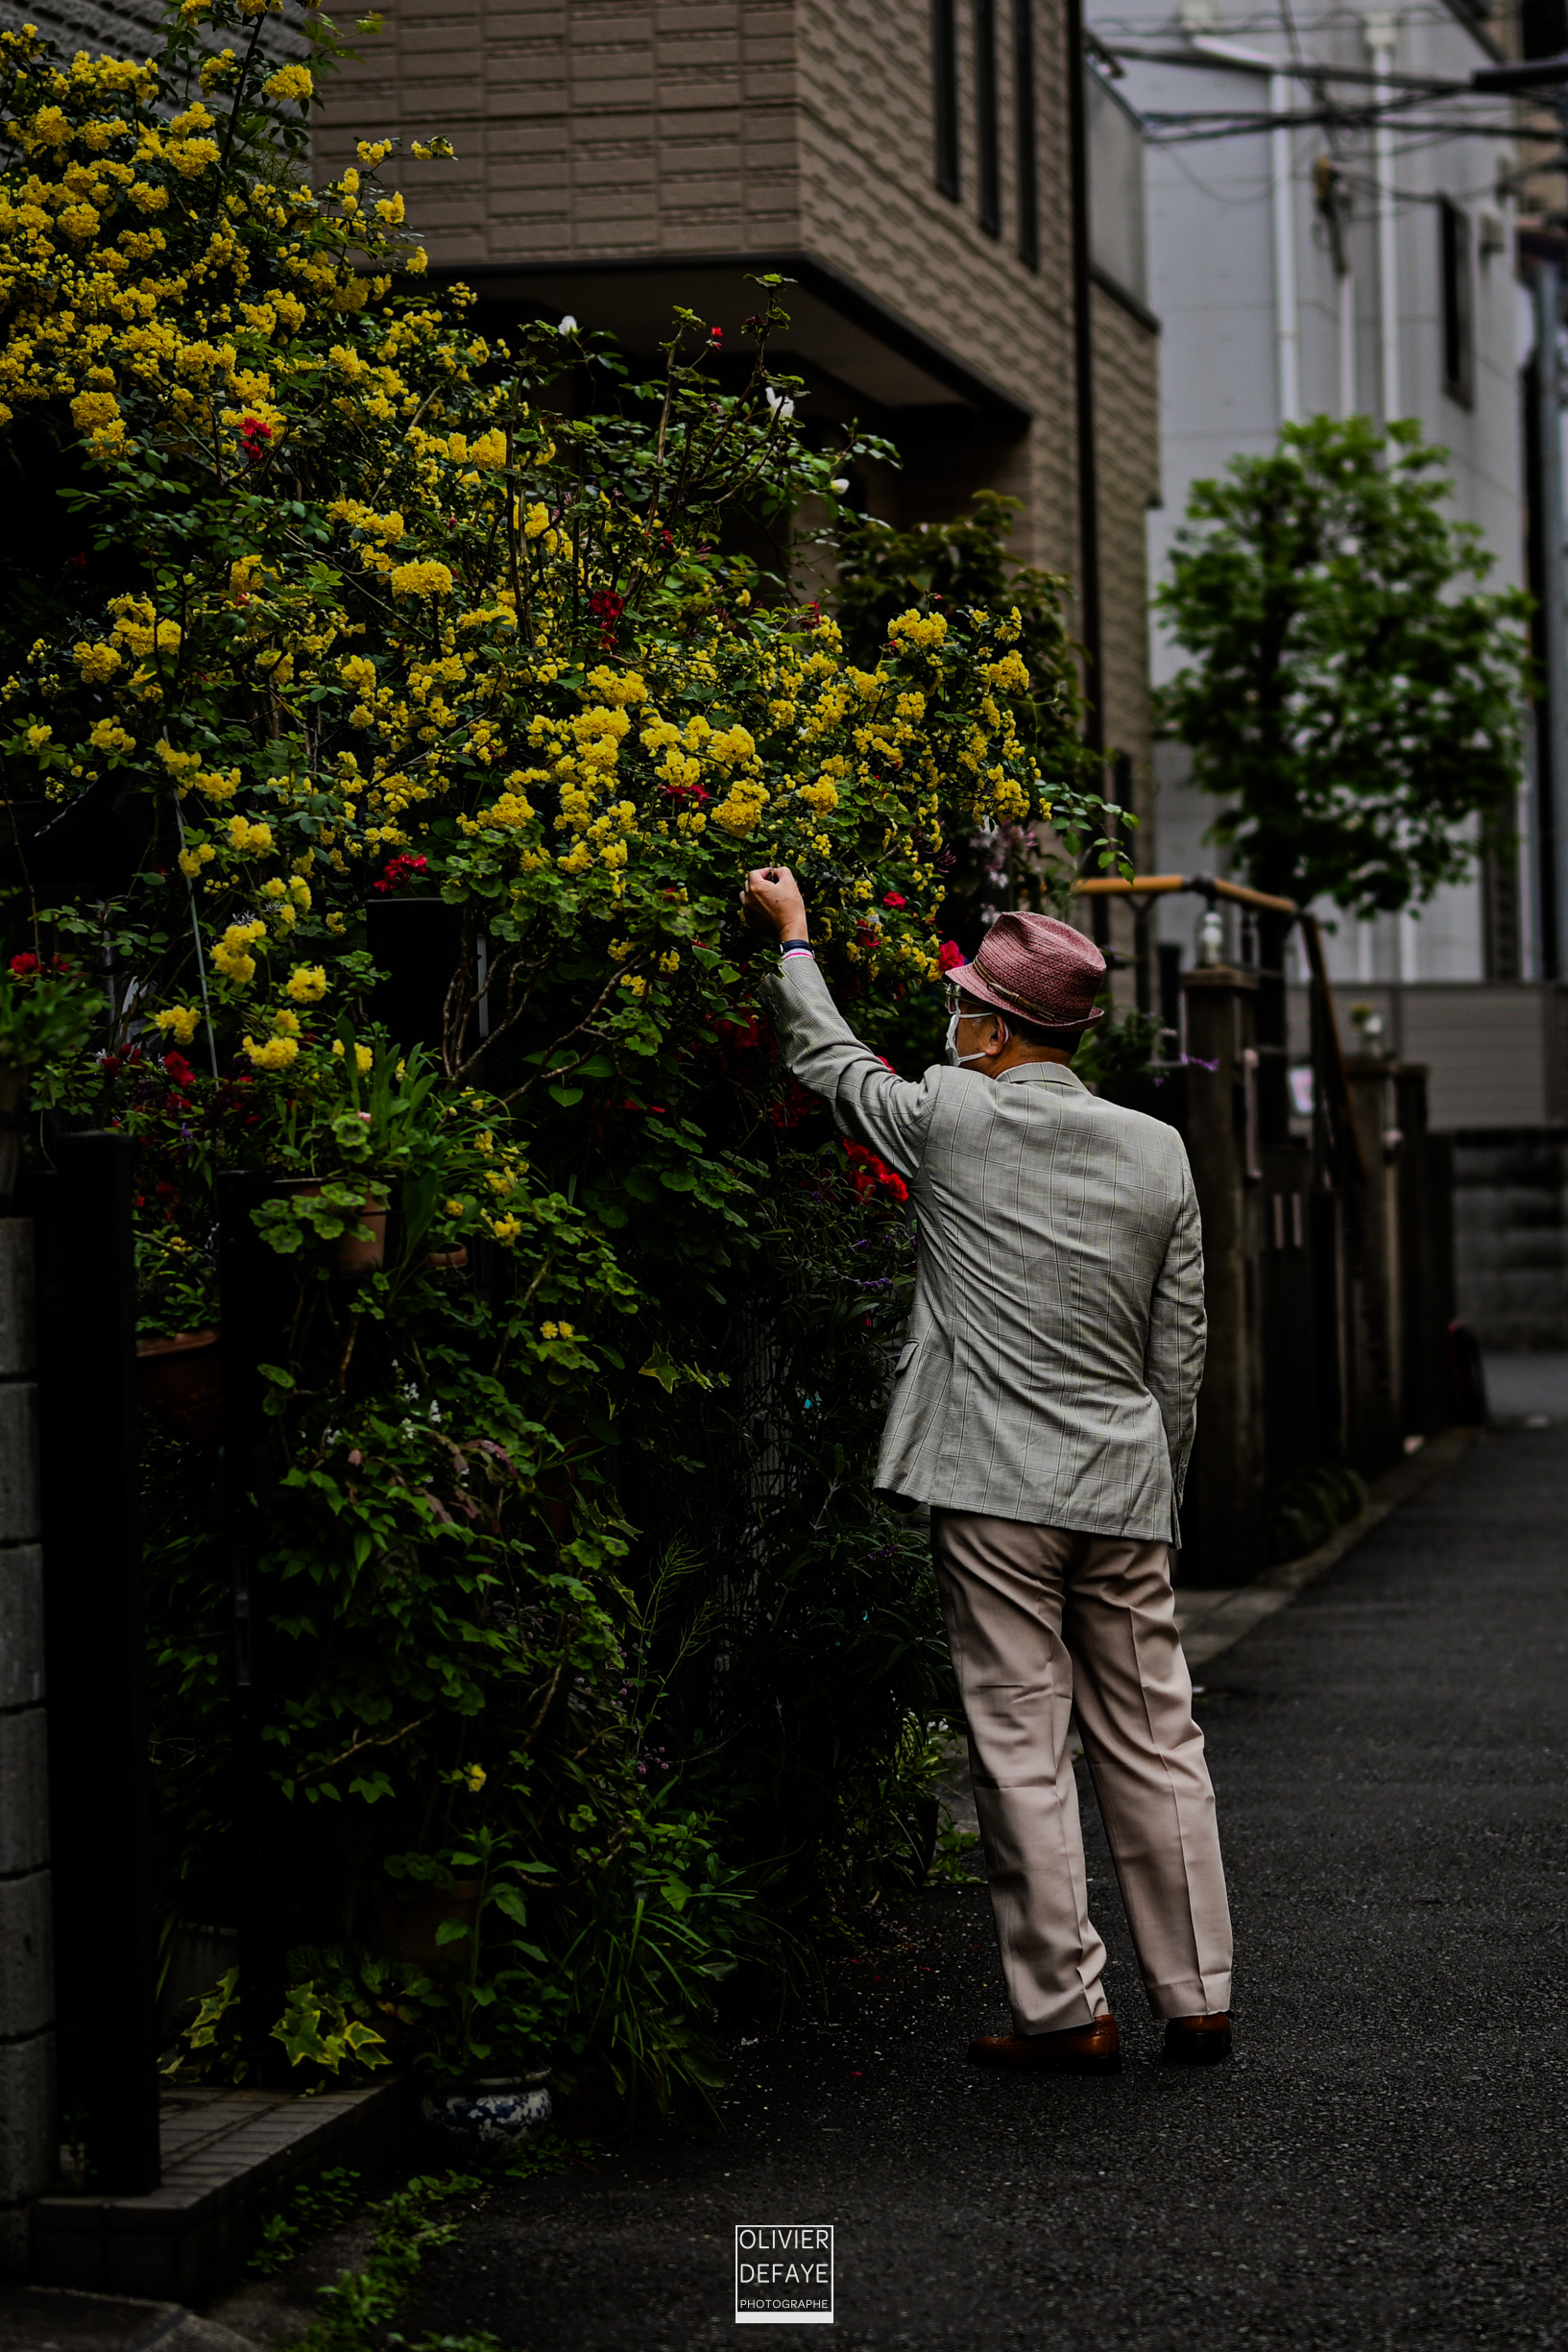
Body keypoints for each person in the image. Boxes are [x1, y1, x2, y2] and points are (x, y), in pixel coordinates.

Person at [742, 867, 1233, 2073]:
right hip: (1122, 1479)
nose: (950, 1024)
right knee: (1157, 1735)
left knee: (1021, 1740)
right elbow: (1182, 1341)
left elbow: (832, 1063)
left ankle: (1067, 2011)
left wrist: (795, 939)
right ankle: (1199, 1993)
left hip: (993, 1486)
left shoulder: (952, 1116)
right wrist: (1153, 1479)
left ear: (999, 1029)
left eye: (963, 1006)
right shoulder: (1158, 1149)